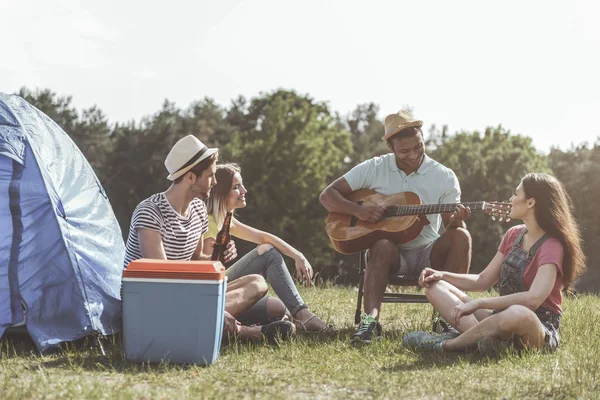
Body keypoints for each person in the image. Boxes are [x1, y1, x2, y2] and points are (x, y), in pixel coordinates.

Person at [123, 135, 295, 343]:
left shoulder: (197, 210)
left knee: (257, 283)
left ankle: (207, 320)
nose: (215, 182)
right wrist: (210, 304)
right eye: (210, 176)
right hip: (151, 303)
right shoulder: (150, 212)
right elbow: (161, 280)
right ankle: (247, 333)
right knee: (196, 304)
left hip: (184, 296)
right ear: (190, 178)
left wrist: (218, 257)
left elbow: (196, 261)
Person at [319, 110, 472, 344]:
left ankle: (451, 320)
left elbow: (452, 222)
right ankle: (370, 322)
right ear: (391, 148)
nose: (413, 155)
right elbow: (327, 196)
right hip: (389, 254)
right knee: (381, 243)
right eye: (404, 151)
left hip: (428, 253)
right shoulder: (373, 168)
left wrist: (458, 219)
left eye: (418, 147)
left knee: (461, 236)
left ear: (423, 138)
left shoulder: (444, 176)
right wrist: (359, 211)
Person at [403, 173, 585, 354]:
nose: (511, 199)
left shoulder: (552, 245)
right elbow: (482, 280)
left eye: (516, 194)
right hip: (498, 318)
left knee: (517, 313)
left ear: (531, 202)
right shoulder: (513, 234)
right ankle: (486, 341)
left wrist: (480, 303)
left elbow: (533, 299)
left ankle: (448, 345)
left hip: (535, 326)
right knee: (435, 286)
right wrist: (442, 275)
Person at [203, 163, 329, 332]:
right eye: (237, 187)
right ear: (221, 192)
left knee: (277, 308)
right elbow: (206, 273)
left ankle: (272, 323)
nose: (244, 191)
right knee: (267, 252)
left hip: (225, 290)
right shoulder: (210, 223)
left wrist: (298, 255)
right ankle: (303, 316)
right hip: (213, 293)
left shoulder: (226, 219)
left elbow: (263, 237)